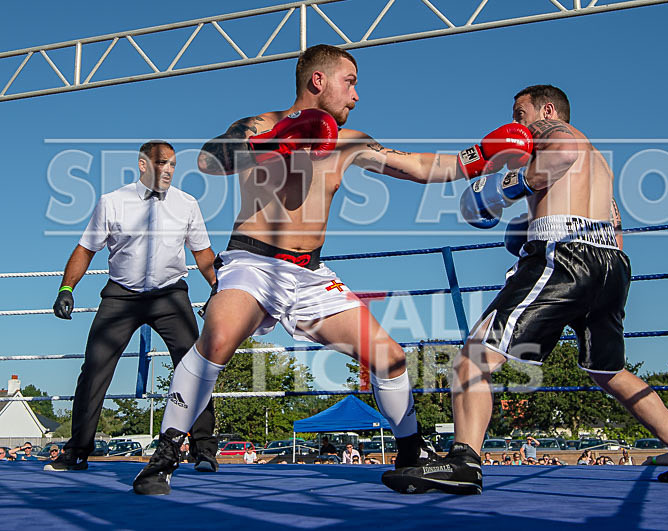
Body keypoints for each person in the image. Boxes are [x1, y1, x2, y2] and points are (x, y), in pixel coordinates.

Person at [132, 44, 532, 495]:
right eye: (351, 81)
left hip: (311, 275)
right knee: (218, 340)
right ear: (317, 81)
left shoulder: (351, 142)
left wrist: (483, 153)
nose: (356, 95)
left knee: (391, 358)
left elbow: (419, 167)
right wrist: (276, 140)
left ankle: (411, 451)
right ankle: (164, 455)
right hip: (253, 261)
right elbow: (209, 159)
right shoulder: (261, 124)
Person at [382, 85, 668, 495]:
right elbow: (613, 221)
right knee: (609, 371)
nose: (516, 123)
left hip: (564, 253)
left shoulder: (553, 130)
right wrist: (528, 229)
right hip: (611, 263)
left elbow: (558, 156)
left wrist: (506, 188)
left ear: (545, 108)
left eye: (519, 112)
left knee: (473, 357)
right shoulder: (600, 165)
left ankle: (464, 462)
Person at [46, 141, 219, 473]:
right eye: (162, 163)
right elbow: (85, 249)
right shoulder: (112, 202)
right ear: (143, 165)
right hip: (120, 295)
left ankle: (204, 450)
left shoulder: (187, 204)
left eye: (173, 164)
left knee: (196, 366)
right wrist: (66, 288)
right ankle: (77, 450)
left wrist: (218, 290)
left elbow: (204, 255)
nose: (169, 169)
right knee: (94, 368)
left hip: (170, 295)